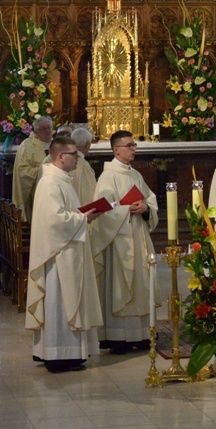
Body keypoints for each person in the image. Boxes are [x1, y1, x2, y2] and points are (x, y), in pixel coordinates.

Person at [25, 136, 103, 372]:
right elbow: (54, 222)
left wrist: (81, 215)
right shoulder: (50, 183)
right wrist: (83, 218)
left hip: (68, 249)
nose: (78, 158)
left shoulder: (62, 180)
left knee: (67, 303)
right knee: (60, 304)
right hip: (58, 256)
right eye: (73, 154)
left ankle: (69, 354)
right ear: (61, 156)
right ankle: (58, 356)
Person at [91, 130, 159, 354]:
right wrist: (125, 209)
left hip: (138, 236)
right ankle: (118, 336)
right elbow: (101, 210)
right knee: (121, 287)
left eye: (134, 145)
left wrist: (146, 208)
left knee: (141, 285)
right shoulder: (107, 176)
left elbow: (150, 199)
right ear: (115, 149)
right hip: (118, 241)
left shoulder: (135, 174)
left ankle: (140, 335)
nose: (133, 149)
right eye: (129, 145)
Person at [38, 127, 97, 206]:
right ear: (88, 145)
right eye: (73, 155)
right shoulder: (83, 166)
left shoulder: (49, 161)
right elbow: (88, 197)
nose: (76, 158)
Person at [12, 116, 53, 222]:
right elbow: (22, 170)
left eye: (49, 127)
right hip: (35, 190)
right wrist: (42, 171)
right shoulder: (27, 145)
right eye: (44, 128)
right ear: (36, 132)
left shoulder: (56, 144)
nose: (47, 130)